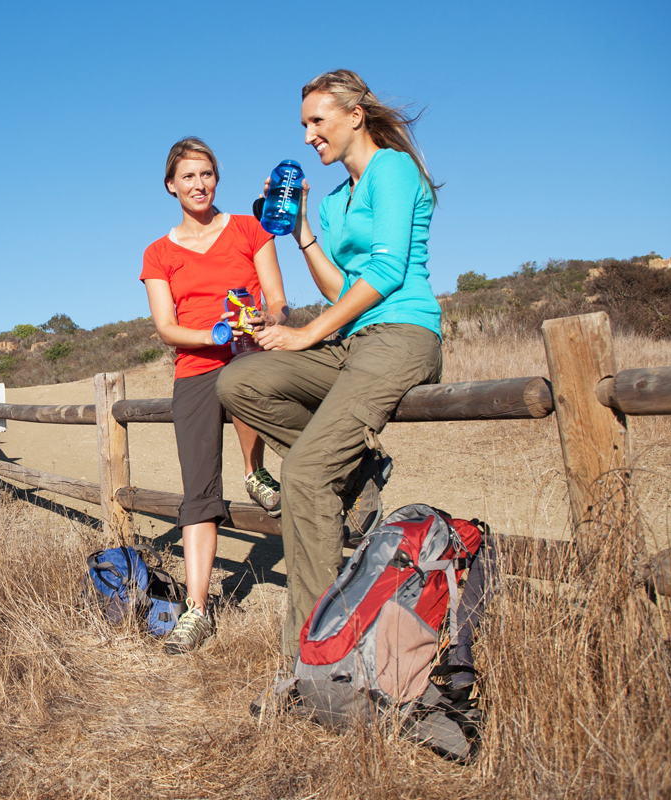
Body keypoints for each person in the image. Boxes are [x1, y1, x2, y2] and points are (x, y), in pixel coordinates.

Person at [216, 70, 444, 667]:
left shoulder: (391, 169)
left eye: (318, 121)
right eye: (304, 125)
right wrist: (302, 231)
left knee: (305, 476)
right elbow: (340, 283)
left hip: (401, 334)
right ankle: (357, 467)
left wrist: (310, 331)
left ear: (354, 116)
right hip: (352, 339)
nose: (309, 135)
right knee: (239, 380)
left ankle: (315, 657)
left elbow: (388, 271)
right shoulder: (339, 196)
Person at [140, 137, 289, 654]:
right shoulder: (158, 253)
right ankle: (198, 610)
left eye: (206, 174)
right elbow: (166, 327)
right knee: (198, 491)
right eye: (188, 177)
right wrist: (215, 336)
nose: (199, 184)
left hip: (250, 354)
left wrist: (256, 325)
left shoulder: (250, 228)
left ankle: (255, 471)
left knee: (245, 372)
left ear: (216, 179)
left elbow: (279, 302)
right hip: (195, 367)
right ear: (170, 186)